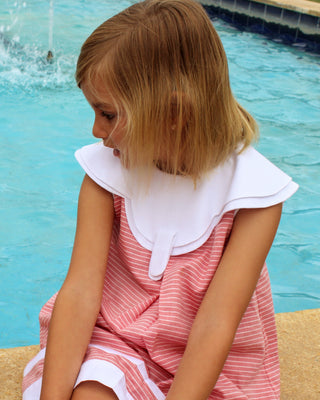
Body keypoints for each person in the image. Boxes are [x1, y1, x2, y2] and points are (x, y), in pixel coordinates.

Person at [22, 0, 298, 399]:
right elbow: (81, 293)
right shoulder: (106, 173)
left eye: (109, 114)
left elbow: (215, 325)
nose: (96, 130)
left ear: (173, 111)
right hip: (117, 341)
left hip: (208, 365)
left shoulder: (255, 195)